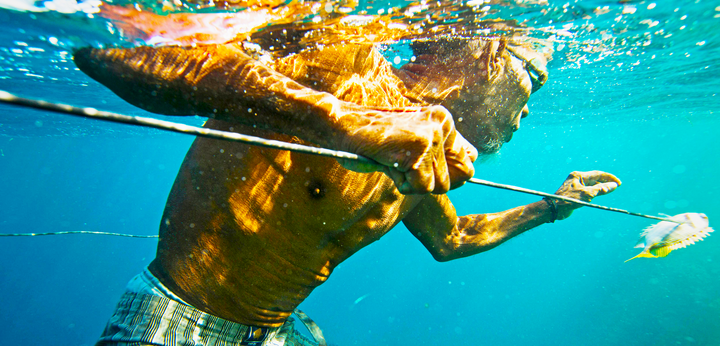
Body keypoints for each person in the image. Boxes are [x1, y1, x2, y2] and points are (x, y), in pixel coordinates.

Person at [73, 5, 621, 345]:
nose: (528, 112)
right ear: (486, 59)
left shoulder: (424, 154)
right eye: (535, 82)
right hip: (177, 319)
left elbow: (452, 239)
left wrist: (552, 207)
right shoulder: (347, 59)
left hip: (277, 331)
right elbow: (114, 56)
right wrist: (346, 122)